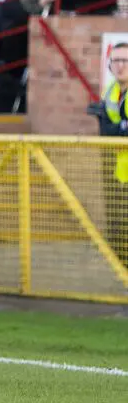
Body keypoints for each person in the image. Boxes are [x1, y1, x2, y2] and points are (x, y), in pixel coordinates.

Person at [88, 42, 128, 265]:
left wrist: (119, 128)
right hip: (116, 170)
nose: (120, 66)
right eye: (116, 61)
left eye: (125, 60)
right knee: (117, 232)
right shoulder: (111, 91)